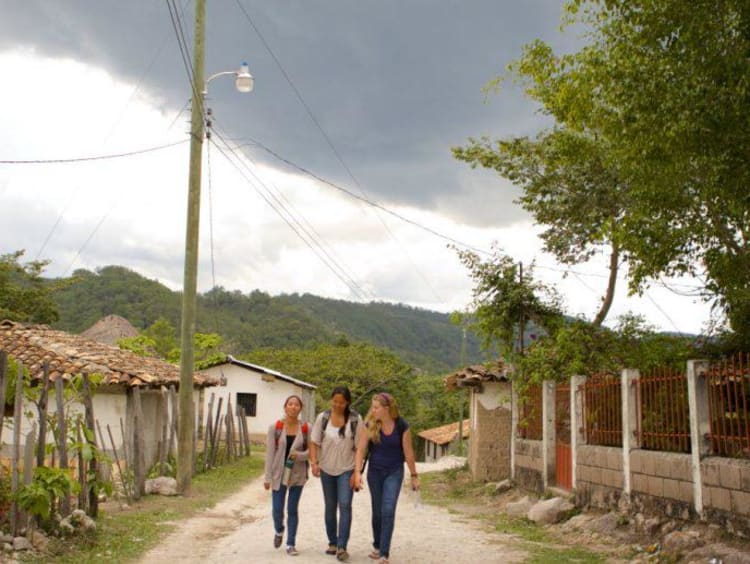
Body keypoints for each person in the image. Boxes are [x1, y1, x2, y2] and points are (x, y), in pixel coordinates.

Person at [353, 392, 419, 564]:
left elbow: (408, 452)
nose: (372, 410)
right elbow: (360, 450)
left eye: (376, 407)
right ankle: (377, 545)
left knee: (388, 510)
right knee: (377, 512)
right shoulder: (370, 424)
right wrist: (357, 472)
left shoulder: (402, 425)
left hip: (394, 472)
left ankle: (384, 553)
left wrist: (414, 475)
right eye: (372, 407)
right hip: (374, 473)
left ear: (387, 408)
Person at [309, 386, 364, 562]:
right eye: (335, 401)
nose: (338, 405)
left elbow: (359, 448)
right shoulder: (322, 417)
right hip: (326, 469)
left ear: (347, 402)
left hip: (347, 469)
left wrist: (357, 472)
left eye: (342, 402)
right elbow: (314, 442)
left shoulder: (356, 419)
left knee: (345, 504)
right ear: (331, 399)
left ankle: (342, 547)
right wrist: (314, 462)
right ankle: (332, 542)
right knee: (330, 506)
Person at [264, 394, 310, 556]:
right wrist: (267, 477)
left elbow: (312, 451)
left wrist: (300, 455)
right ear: (285, 407)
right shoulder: (275, 428)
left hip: (297, 474)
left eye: (296, 405)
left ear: (300, 408)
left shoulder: (305, 428)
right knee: (277, 510)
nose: (293, 407)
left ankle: (291, 543)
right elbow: (270, 453)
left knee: (292, 509)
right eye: (290, 404)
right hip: (278, 474)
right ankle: (279, 530)